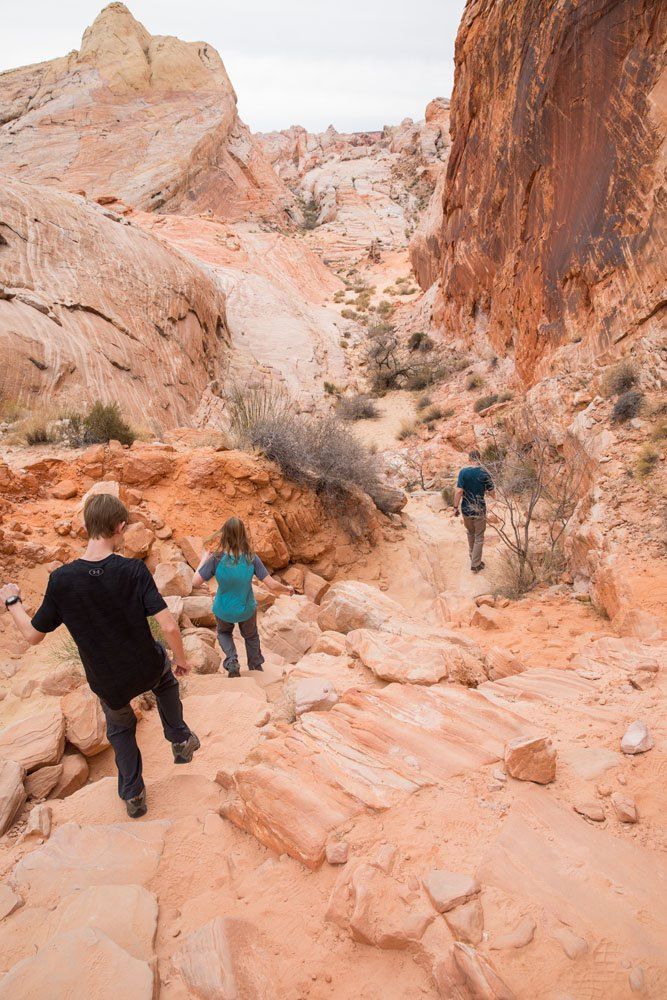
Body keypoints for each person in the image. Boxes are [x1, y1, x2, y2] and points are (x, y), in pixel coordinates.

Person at [0, 493, 199, 819]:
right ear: (119, 526)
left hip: (108, 681)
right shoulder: (133, 570)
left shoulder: (61, 581)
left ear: (87, 526)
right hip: (146, 666)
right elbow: (169, 626)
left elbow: (33, 635)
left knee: (121, 729)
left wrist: (12, 602)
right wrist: (181, 660)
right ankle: (179, 738)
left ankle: (134, 795)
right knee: (165, 679)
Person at [192, 516, 294, 677]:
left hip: (223, 609)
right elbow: (272, 585)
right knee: (251, 636)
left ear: (224, 534)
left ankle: (232, 660)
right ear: (243, 534)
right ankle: (255, 666)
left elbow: (195, 582)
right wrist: (287, 589)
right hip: (246, 608)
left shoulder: (216, 559)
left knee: (224, 633)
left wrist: (204, 559)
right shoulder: (251, 558)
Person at [453, 450, 494, 573]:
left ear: (469, 459)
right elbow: (492, 492)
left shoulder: (463, 472)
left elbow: (459, 491)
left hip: (466, 508)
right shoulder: (484, 473)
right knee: (479, 536)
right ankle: (475, 564)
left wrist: (455, 507)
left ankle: (472, 557)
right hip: (479, 508)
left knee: (470, 532)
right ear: (480, 459)